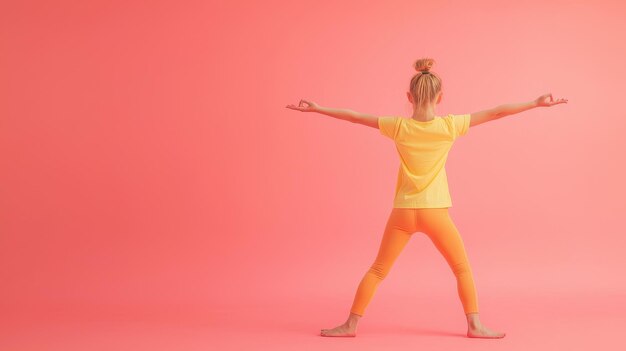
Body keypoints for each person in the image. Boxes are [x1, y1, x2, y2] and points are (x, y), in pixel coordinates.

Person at [285, 58, 568, 339]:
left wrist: (318, 109)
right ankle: (475, 326)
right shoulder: (449, 127)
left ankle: (350, 325)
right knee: (461, 269)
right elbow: (496, 113)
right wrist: (535, 103)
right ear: (441, 97)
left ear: (408, 97)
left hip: (403, 213)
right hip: (435, 214)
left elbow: (355, 117)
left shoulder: (397, 127)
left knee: (378, 270)